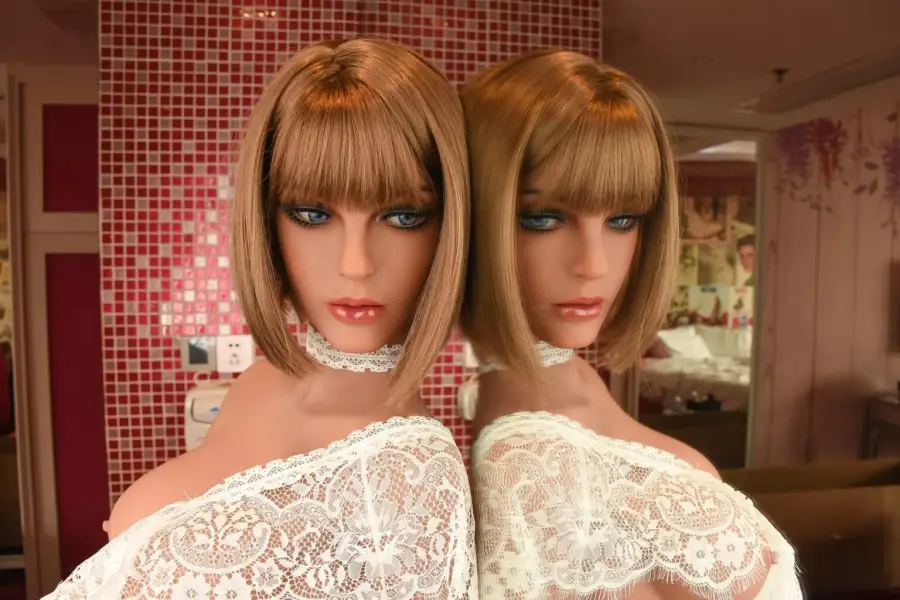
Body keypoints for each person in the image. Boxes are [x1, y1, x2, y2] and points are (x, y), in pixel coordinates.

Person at [46, 38, 475, 599]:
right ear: (267, 220)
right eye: (312, 213)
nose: (356, 264)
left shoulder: (409, 480)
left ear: (449, 226)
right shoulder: (264, 381)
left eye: (403, 216)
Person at [462, 49, 801, 599]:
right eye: (542, 218)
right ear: (475, 216)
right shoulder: (547, 473)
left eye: (623, 219)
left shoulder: (555, 400)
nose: (594, 264)